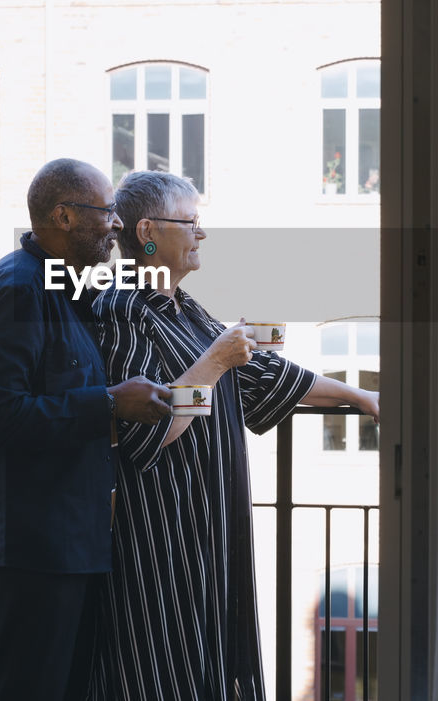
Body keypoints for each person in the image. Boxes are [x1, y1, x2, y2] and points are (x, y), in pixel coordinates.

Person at [90, 171, 380, 699]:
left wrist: (360, 397)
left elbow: (261, 376)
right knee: (162, 671)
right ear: (148, 231)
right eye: (192, 221)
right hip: (162, 540)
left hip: (210, 536)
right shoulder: (124, 311)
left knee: (213, 665)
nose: (202, 234)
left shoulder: (184, 308)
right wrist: (215, 360)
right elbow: (145, 432)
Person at [0, 158, 173, 701]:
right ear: (64, 217)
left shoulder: (62, 288)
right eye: (107, 213)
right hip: (32, 546)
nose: (118, 225)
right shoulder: (16, 290)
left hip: (63, 541)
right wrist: (108, 403)